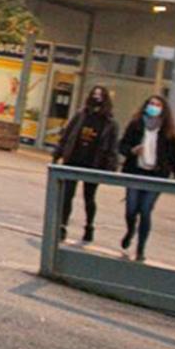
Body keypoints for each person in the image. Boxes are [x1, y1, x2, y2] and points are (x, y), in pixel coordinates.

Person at [116, 94, 175, 262]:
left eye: (157, 105)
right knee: (131, 208)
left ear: (163, 110)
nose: (154, 107)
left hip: (156, 175)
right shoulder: (136, 125)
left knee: (145, 210)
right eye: (151, 104)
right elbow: (122, 145)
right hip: (136, 172)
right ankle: (130, 229)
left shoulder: (168, 131)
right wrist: (132, 150)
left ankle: (141, 249)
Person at [54, 86, 118, 244]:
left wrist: (110, 167)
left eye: (100, 95)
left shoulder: (109, 122)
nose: (96, 97)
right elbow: (67, 135)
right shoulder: (80, 115)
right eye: (94, 94)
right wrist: (58, 153)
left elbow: (112, 146)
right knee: (67, 195)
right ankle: (62, 226)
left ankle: (89, 226)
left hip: (94, 164)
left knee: (89, 197)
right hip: (74, 160)